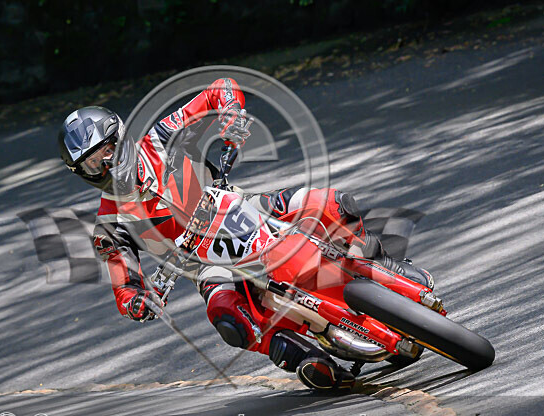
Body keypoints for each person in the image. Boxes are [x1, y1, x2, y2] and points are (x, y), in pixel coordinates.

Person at [57, 78, 433, 391]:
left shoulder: (161, 137)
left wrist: (232, 118)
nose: (104, 162)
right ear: (82, 172)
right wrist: (139, 301)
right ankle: (305, 356)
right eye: (92, 161)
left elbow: (220, 88)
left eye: (106, 149)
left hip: (242, 206)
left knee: (333, 204)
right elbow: (123, 286)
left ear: (120, 136)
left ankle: (383, 264)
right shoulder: (110, 222)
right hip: (204, 262)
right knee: (226, 317)